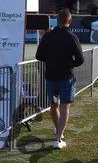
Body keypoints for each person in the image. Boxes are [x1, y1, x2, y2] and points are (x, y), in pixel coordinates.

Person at [36, 9, 84, 150]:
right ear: (70, 21)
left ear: (57, 20)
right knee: (64, 107)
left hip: (51, 75)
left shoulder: (48, 36)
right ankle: (58, 138)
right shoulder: (72, 37)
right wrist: (68, 64)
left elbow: (39, 55)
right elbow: (80, 59)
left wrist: (52, 61)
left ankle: (59, 132)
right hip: (66, 76)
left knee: (54, 105)